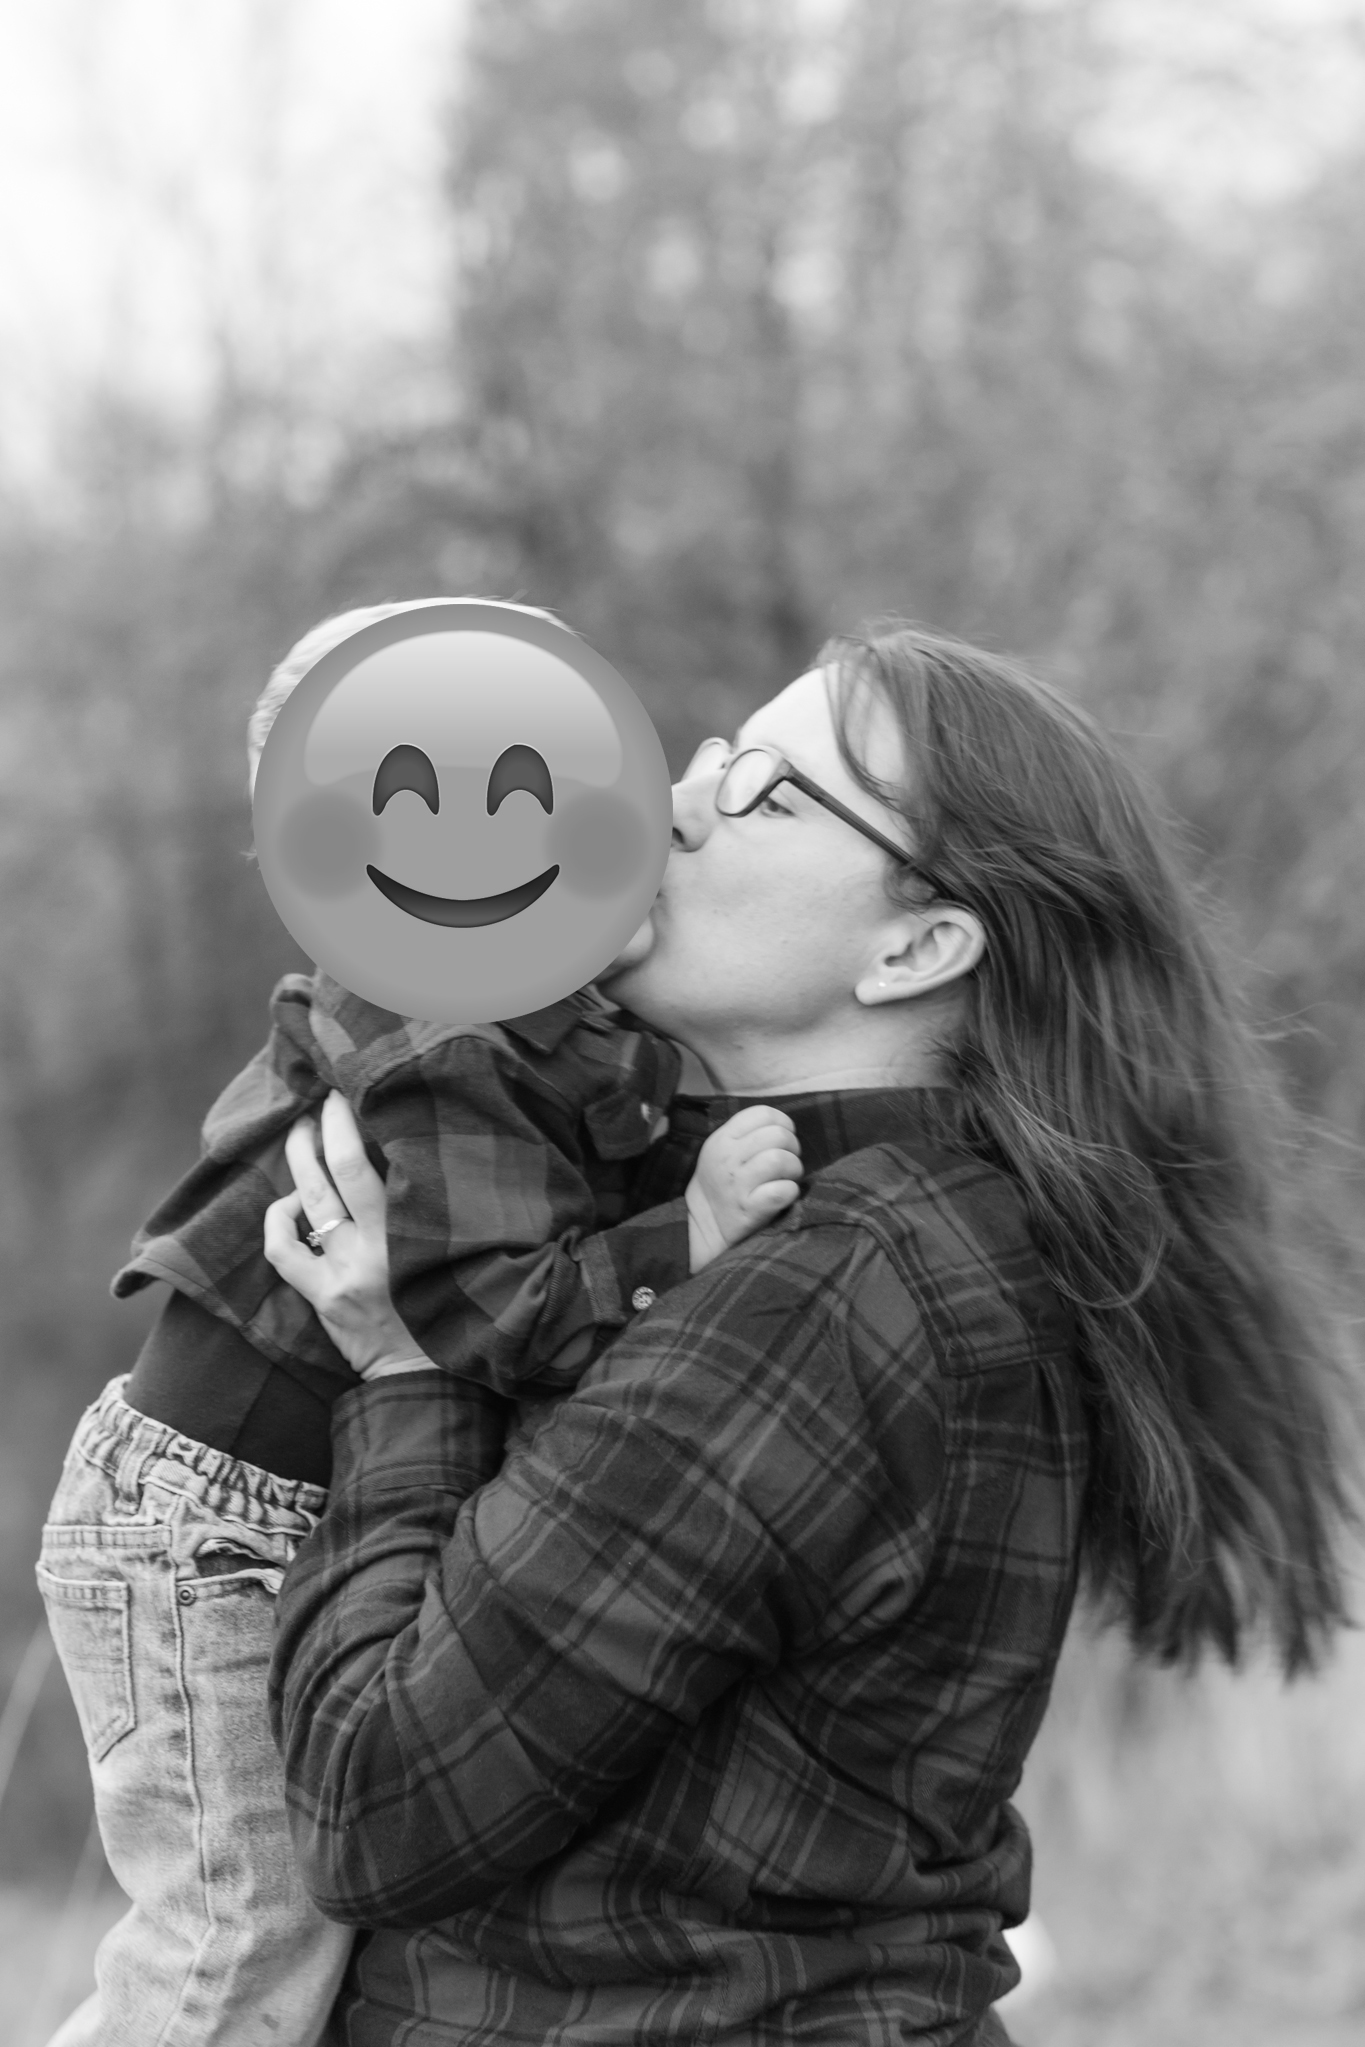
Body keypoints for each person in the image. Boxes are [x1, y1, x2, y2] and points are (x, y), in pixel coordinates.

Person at [264, 622, 1360, 2046]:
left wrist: (406, 1373)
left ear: (915, 948)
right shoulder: (925, 1239)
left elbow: (378, 1806)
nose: (673, 807)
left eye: (767, 796)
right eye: (715, 757)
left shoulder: (816, 1304)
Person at [34, 599, 802, 2047]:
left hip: (240, 1500)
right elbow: (498, 1316)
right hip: (215, 1527)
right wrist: (685, 1236)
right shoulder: (443, 1045)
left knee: (292, 1964)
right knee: (237, 1950)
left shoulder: (541, 1020)